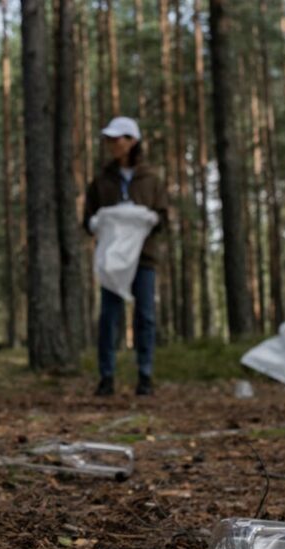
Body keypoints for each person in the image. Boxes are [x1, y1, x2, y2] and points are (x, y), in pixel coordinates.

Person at [83, 117, 169, 397]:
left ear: (132, 141)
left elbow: (164, 218)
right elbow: (88, 218)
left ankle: (145, 376)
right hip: (112, 261)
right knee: (109, 317)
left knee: (145, 316)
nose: (111, 144)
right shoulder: (101, 181)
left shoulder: (152, 180)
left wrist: (150, 220)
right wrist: (96, 224)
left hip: (143, 259)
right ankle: (106, 377)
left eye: (116, 139)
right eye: (108, 139)